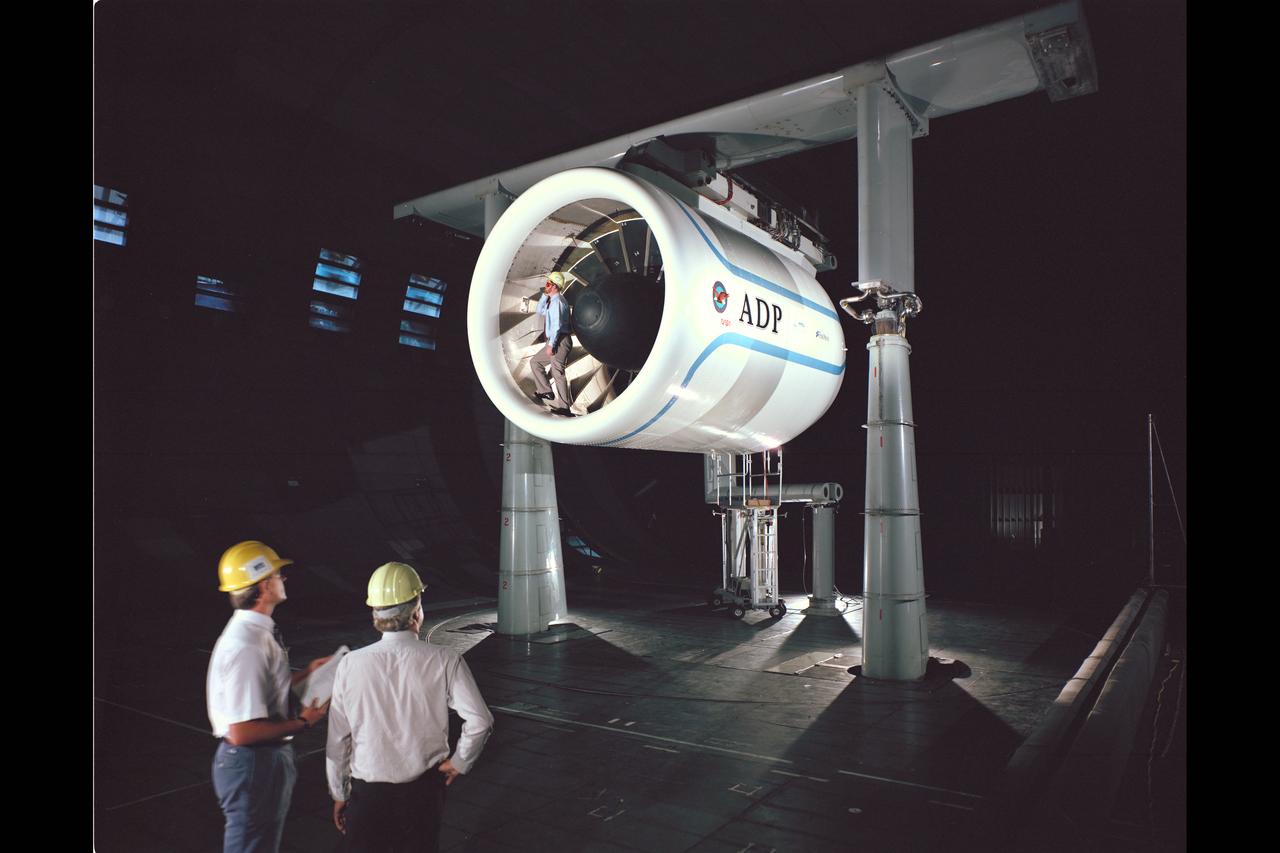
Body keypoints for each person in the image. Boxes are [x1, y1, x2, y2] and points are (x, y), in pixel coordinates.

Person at [326, 562, 494, 853]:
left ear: (375, 615)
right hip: (423, 793)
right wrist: (459, 762)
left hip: (368, 796)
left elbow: (338, 741)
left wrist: (339, 792)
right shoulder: (444, 659)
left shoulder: (350, 664)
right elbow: (480, 721)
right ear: (417, 612)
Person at [207, 540, 331, 853]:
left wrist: (308, 673)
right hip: (252, 764)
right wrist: (303, 723)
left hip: (263, 761)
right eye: (278, 574)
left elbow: (263, 692)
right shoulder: (246, 645)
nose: (283, 579)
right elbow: (242, 731)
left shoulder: (257, 633)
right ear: (263, 587)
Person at [530, 270, 575, 416]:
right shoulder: (552, 301)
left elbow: (556, 325)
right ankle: (546, 391)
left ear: (555, 286)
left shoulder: (558, 302)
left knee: (557, 371)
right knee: (535, 362)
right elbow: (539, 311)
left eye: (548, 283)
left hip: (559, 340)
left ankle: (565, 408)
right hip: (555, 340)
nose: (546, 285)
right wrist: (544, 295)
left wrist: (551, 345)